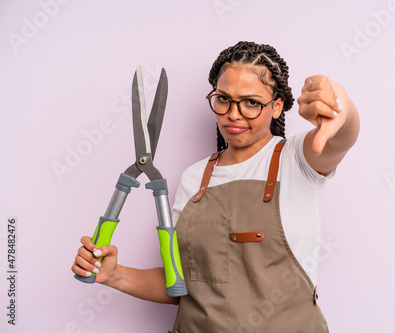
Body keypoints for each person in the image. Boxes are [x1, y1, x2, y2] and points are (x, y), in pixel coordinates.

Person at [72, 41, 360, 332]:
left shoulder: (297, 159)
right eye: (223, 99)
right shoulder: (194, 178)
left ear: (276, 107)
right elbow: (182, 283)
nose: (233, 114)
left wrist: (342, 111)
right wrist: (114, 275)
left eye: (251, 102)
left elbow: (340, 140)